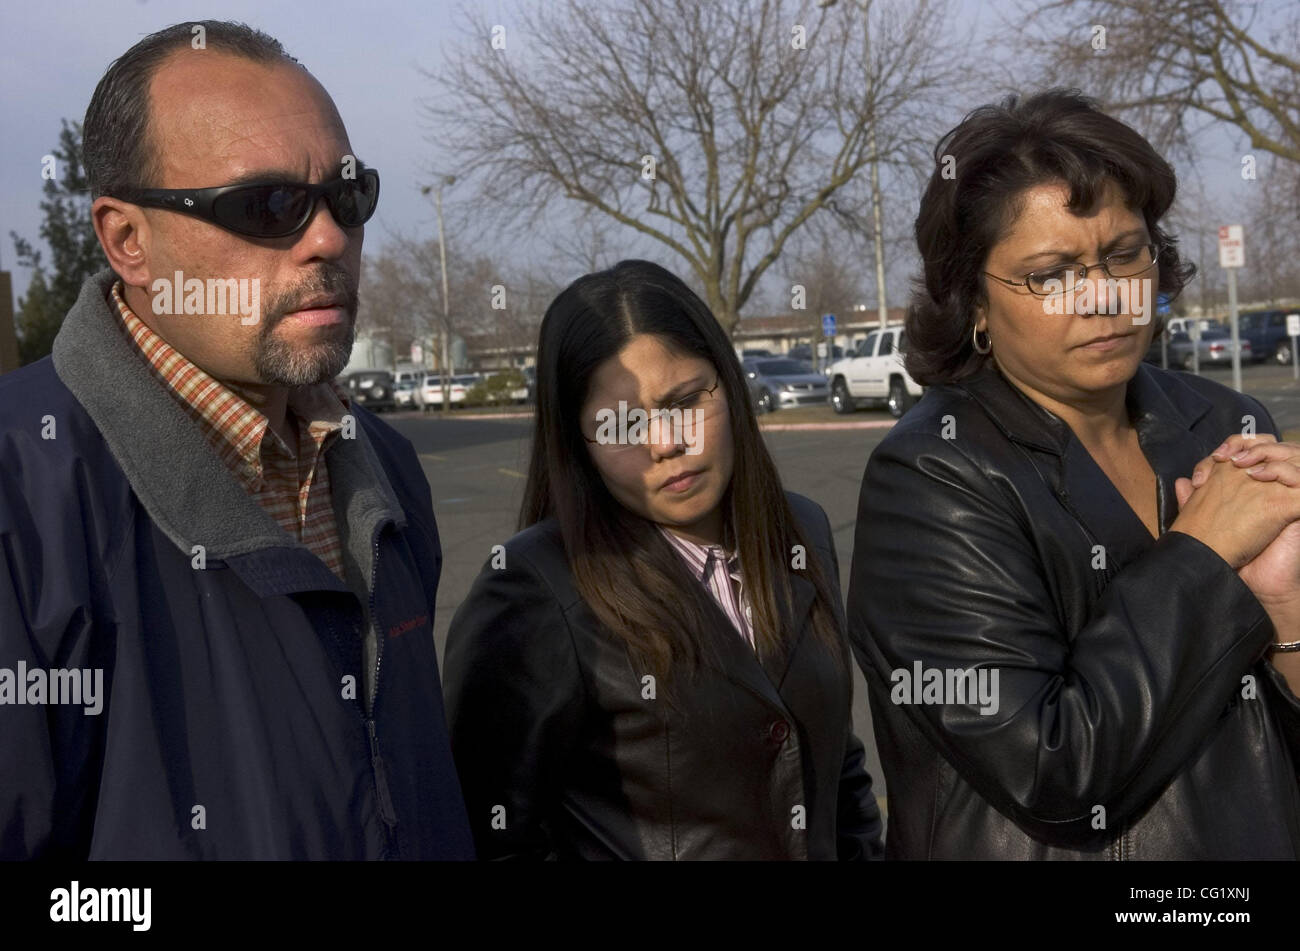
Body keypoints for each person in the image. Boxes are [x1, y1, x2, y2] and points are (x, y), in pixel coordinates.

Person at [0, 21, 473, 859]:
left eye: (348, 195)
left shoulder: (385, 470)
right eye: (267, 205)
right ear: (128, 241)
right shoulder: (23, 500)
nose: (328, 237)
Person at [847, 88, 1300, 860]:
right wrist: (1200, 554)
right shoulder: (929, 477)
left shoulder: (1227, 423)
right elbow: (1052, 765)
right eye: (1052, 273)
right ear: (974, 304)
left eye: (1125, 254)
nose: (1105, 295)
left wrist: (1289, 619)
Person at [443, 260, 883, 860]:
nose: (665, 443)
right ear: (578, 445)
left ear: (728, 383)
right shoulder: (532, 591)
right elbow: (490, 836)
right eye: (622, 424)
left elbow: (839, 770)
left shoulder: (801, 530)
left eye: (682, 402)